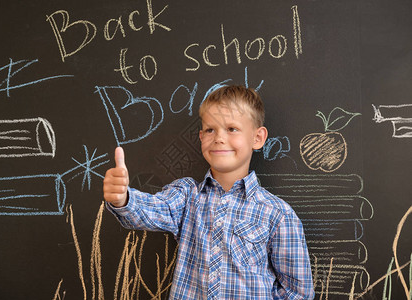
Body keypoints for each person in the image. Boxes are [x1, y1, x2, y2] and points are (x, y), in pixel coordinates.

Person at [103, 85, 315, 299]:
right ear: (201, 136)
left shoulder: (278, 214)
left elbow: (298, 292)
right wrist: (124, 199)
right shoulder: (187, 196)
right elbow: (155, 209)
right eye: (210, 129)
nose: (219, 138)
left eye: (232, 129)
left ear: (257, 138)